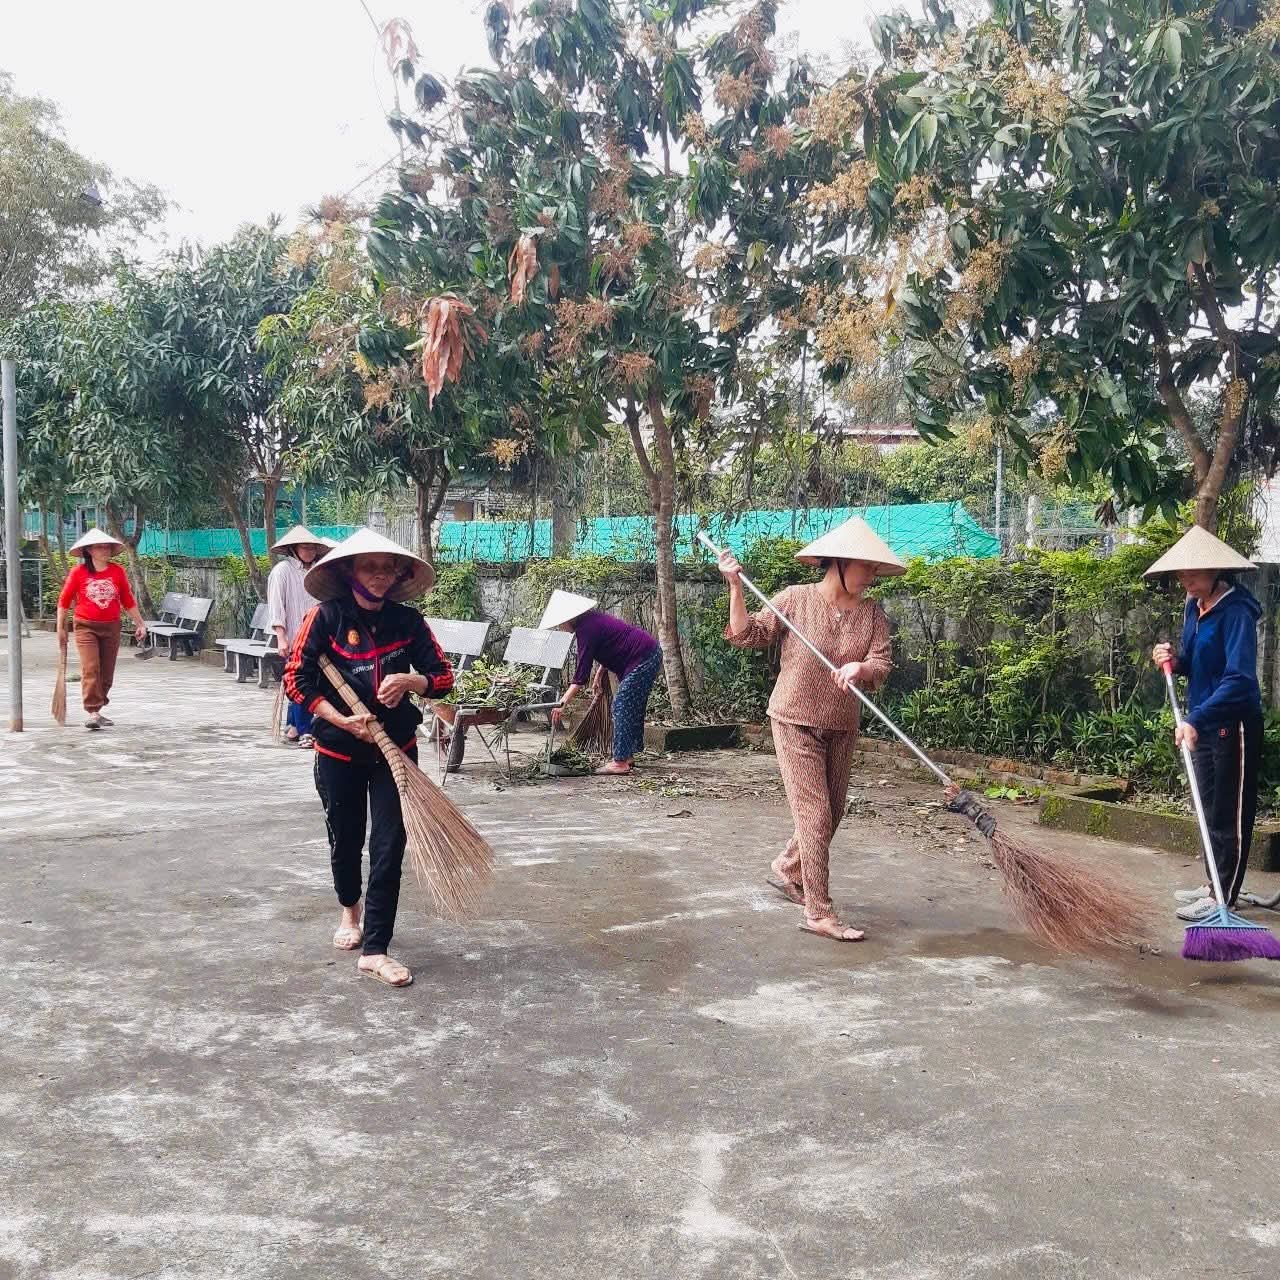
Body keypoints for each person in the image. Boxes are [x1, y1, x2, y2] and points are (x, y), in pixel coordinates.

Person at [284, 528, 454, 988]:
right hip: (337, 748)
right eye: (368, 567)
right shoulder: (325, 618)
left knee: (388, 846)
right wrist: (339, 719)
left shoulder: (408, 622)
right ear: (348, 571)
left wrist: (411, 682)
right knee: (346, 836)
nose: (379, 576)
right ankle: (349, 911)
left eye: (387, 568)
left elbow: (442, 676)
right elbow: (297, 681)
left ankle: (376, 948)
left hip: (395, 751)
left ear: (398, 574)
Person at [719, 517, 899, 942]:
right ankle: (819, 911)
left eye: (875, 568)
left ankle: (787, 867)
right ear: (838, 563)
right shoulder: (796, 599)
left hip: (842, 725)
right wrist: (735, 587)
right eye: (866, 567)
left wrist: (863, 667)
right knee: (815, 816)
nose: (872, 576)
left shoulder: (873, 615)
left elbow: (882, 664)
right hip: (794, 719)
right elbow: (749, 634)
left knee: (832, 813)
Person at [1146, 525, 1263, 922]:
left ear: (1216, 571)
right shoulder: (1192, 607)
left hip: (1233, 723)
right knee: (1209, 807)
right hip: (1203, 722)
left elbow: (1239, 680)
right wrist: (1172, 660)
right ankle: (1215, 880)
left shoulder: (1237, 613)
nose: (1186, 581)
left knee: (1230, 812)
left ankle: (1223, 898)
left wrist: (1195, 718)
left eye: (1193, 574)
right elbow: (1195, 664)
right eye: (1181, 575)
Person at [544, 590, 662, 775]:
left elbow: (580, 676)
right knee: (632, 706)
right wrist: (600, 672)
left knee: (622, 705)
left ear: (569, 618)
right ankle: (628, 756)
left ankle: (620, 762)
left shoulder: (586, 629)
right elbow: (611, 643)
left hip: (642, 657)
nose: (560, 627)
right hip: (647, 653)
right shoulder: (591, 620)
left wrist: (562, 703)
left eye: (560, 623)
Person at [56, 529, 147, 730]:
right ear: (89, 550)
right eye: (99, 547)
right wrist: (60, 628)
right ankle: (93, 710)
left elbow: (128, 600)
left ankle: (98, 708)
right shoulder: (78, 573)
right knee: (91, 668)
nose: (104, 550)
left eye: (107, 546)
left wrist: (140, 623)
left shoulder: (117, 572)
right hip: (85, 626)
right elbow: (64, 601)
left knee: (106, 673)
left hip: (111, 627)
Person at [267, 525, 330, 748]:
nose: (310, 551)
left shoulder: (318, 571)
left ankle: (293, 727)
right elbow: (277, 608)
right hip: (294, 637)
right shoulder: (282, 572)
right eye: (305, 548)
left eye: (313, 547)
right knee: (302, 684)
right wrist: (281, 637)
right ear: (294, 548)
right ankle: (305, 731)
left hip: (317, 638)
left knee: (306, 683)